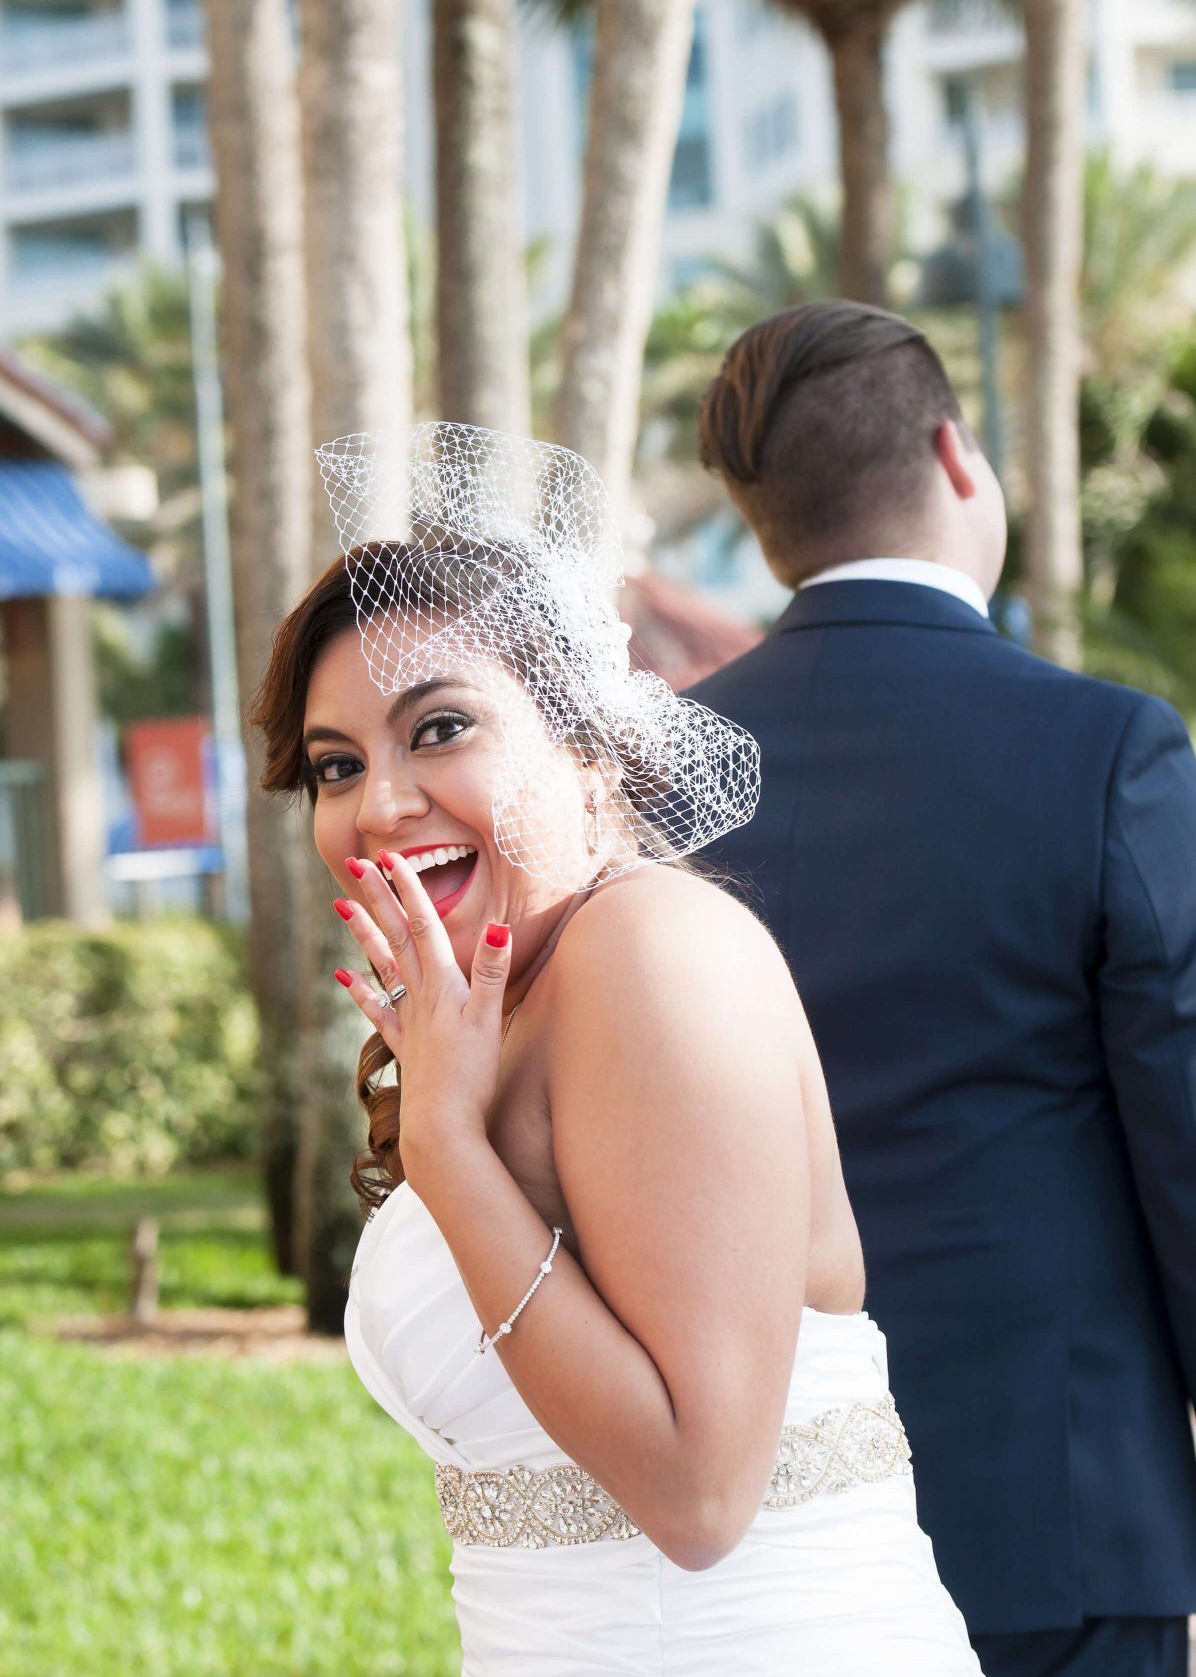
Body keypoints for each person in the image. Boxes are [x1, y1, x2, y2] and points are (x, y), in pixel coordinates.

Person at [253, 423, 981, 1674]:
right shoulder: (497, 1003)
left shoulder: (652, 949)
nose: (377, 806)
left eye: (438, 730)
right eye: (335, 765)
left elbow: (700, 1497)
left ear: (588, 752)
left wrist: (444, 1145)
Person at [687, 301, 1196, 1677]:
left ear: (760, 517)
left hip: (754, 1521)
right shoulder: (1107, 751)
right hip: (1062, 1505)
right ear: (955, 454)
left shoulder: (658, 776)